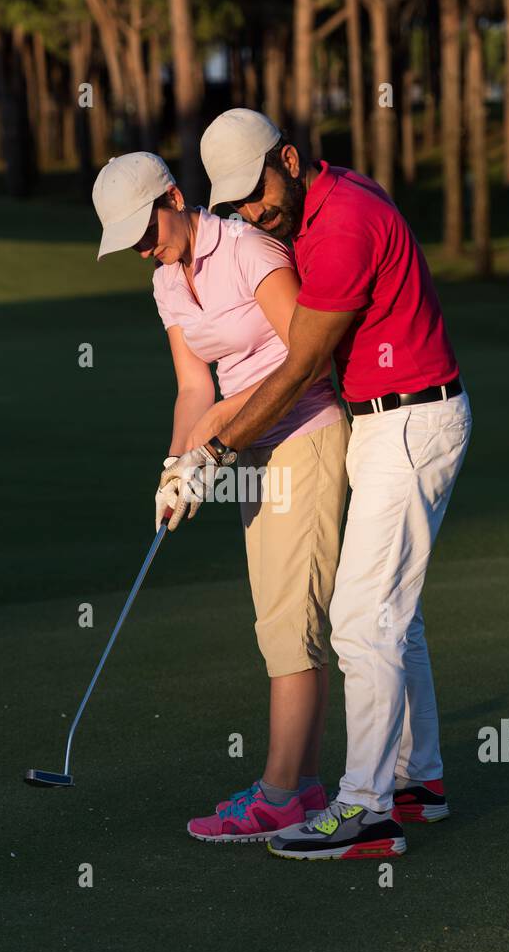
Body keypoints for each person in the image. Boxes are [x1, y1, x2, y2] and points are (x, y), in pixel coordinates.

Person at [160, 110, 472, 861]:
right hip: (381, 421)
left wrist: (215, 448)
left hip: (409, 423)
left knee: (361, 621)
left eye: (257, 191)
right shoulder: (333, 196)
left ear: (289, 159)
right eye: (233, 202)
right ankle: (414, 784)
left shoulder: (339, 228)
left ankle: (363, 811)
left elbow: (298, 365)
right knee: (398, 616)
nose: (249, 210)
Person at [92, 151, 348, 842]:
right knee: (275, 618)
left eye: (144, 229)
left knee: (292, 621)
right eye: (128, 241)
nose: (142, 247)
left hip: (304, 435)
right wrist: (176, 467)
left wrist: (209, 444)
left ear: (174, 197)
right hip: (240, 447)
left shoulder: (247, 248)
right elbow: (194, 388)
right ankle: (298, 783)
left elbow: (308, 353)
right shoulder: (167, 283)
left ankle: (282, 794)